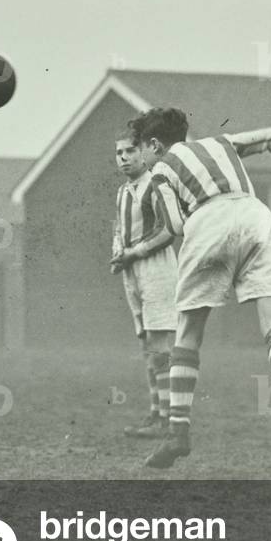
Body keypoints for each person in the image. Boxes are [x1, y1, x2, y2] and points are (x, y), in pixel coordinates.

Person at [128, 108, 271, 468]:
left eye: (142, 149)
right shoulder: (221, 143)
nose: (141, 157)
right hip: (255, 215)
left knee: (189, 332)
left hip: (207, 221)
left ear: (155, 144)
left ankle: (177, 434)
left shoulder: (161, 172)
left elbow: (179, 226)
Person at [109, 127, 177, 439]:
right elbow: (118, 230)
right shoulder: (123, 192)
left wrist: (134, 252)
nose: (123, 158)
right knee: (147, 346)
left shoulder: (157, 184)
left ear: (144, 153)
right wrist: (117, 253)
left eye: (130, 151)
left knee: (160, 346)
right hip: (132, 271)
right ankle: (156, 412)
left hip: (156, 268)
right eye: (119, 153)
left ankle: (168, 420)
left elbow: (169, 230)